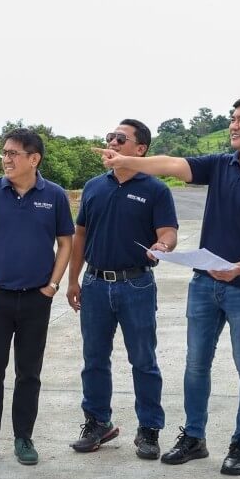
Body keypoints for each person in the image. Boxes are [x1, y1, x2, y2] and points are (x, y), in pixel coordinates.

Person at [97, 96, 240, 476]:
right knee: (195, 365)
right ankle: (194, 437)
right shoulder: (221, 166)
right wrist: (127, 161)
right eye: (232, 119)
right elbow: (172, 165)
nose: (233, 126)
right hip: (204, 284)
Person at [67, 120, 179, 459]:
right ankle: (98, 422)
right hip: (95, 283)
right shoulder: (93, 187)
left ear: (140, 149)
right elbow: (80, 236)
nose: (112, 142)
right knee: (94, 358)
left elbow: (168, 232)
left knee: (143, 360)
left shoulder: (155, 189)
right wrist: (73, 279)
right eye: (109, 137)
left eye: (120, 139)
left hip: (136, 284)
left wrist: (163, 244)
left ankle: (149, 429)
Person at [0, 128, 73, 467]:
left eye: (13, 153)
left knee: (29, 372)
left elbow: (66, 242)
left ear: (33, 158)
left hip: (36, 300)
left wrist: (52, 286)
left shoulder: (53, 195)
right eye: (4, 153)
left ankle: (24, 438)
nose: (6, 159)